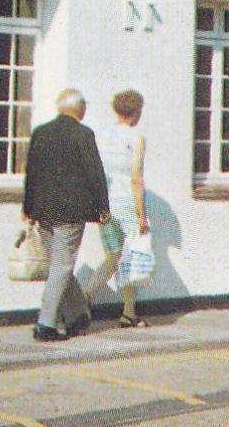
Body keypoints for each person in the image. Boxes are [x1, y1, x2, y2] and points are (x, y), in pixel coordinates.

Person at [22, 88, 109, 342]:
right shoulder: (83, 134)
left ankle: (78, 314)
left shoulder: (41, 132)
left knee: (59, 263)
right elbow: (96, 173)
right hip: (70, 212)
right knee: (62, 265)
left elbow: (32, 173)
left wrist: (27, 209)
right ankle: (46, 324)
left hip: (42, 210)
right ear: (79, 108)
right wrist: (103, 209)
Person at [84, 89, 151, 328]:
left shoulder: (102, 135)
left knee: (113, 256)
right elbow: (136, 178)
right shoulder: (136, 138)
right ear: (137, 112)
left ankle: (86, 298)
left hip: (103, 203)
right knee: (130, 258)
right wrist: (142, 215)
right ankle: (129, 312)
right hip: (126, 204)